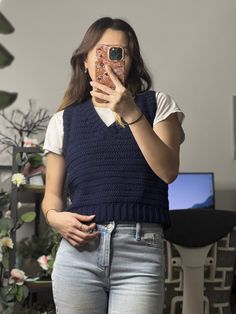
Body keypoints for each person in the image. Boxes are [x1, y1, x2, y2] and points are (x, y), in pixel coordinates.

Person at [42, 17, 185, 314]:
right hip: (78, 253)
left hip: (140, 252)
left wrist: (130, 111)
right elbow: (52, 196)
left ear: (131, 62)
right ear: (85, 60)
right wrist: (54, 217)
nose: (109, 59)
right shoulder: (63, 121)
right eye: (100, 51)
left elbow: (168, 171)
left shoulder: (157, 105)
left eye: (119, 52)